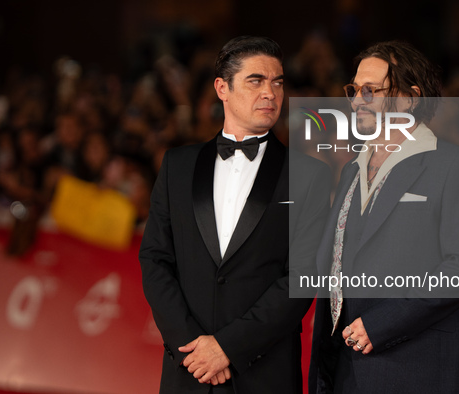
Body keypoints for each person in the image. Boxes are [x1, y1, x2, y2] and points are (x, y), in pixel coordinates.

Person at [139, 36, 331, 394]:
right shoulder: (177, 167)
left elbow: (304, 277)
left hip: (265, 373)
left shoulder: (310, 176)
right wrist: (192, 346)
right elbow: (155, 259)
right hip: (189, 370)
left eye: (278, 82)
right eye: (256, 80)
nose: (271, 93)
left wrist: (228, 347)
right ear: (222, 88)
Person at [309, 40, 459, 393]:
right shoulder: (351, 169)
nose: (357, 99)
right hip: (344, 369)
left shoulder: (454, 164)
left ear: (409, 98)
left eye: (370, 90)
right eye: (354, 89)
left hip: (418, 367)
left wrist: (382, 325)